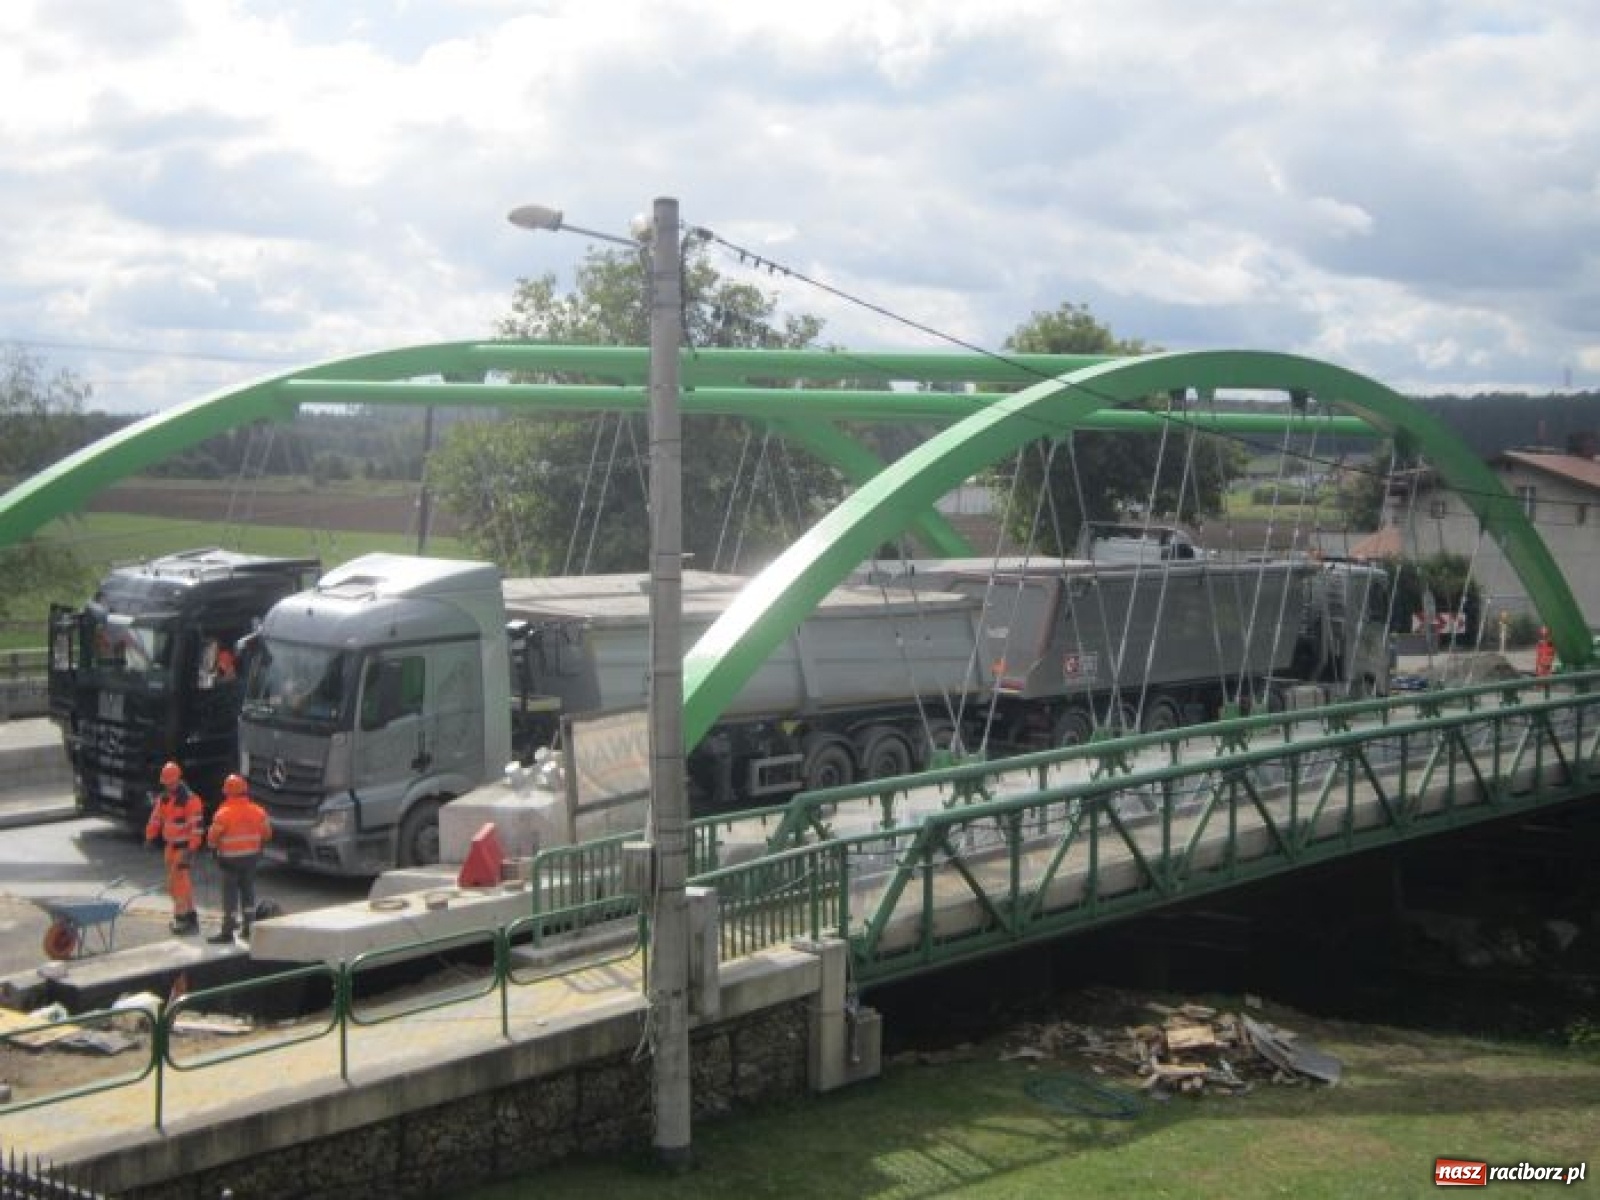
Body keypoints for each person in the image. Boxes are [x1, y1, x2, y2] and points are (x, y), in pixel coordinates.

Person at [205, 773, 273, 944]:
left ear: (227, 792)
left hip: (229, 861)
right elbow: (267, 834)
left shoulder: (223, 813)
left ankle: (228, 931)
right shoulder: (258, 811)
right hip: (251, 859)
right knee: (248, 892)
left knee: (229, 896)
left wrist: (213, 850)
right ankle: (249, 928)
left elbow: (212, 837)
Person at [144, 761, 204, 935]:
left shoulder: (190, 801)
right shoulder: (164, 799)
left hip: (184, 848)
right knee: (180, 884)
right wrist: (150, 836)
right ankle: (190, 915)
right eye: (165, 783)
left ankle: (182, 918)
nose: (167, 786)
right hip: (171, 847)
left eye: (170, 783)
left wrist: (191, 850)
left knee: (177, 885)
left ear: (177, 780)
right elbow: (155, 819)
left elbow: (196, 828)